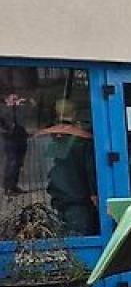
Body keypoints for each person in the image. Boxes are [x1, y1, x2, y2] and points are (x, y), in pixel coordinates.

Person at [37, 98, 98, 236]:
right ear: (74, 113)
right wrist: (94, 193)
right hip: (78, 201)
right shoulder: (83, 140)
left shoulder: (43, 138)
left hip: (54, 199)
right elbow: (90, 170)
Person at [1, 94, 28, 196]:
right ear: (7, 100)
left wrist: (21, 107)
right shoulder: (4, 110)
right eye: (12, 99)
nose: (15, 101)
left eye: (16, 99)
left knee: (18, 163)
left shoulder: (18, 110)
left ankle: (13, 185)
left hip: (20, 139)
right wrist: (7, 132)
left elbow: (22, 121)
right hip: (10, 140)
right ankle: (8, 188)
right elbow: (5, 124)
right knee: (12, 163)